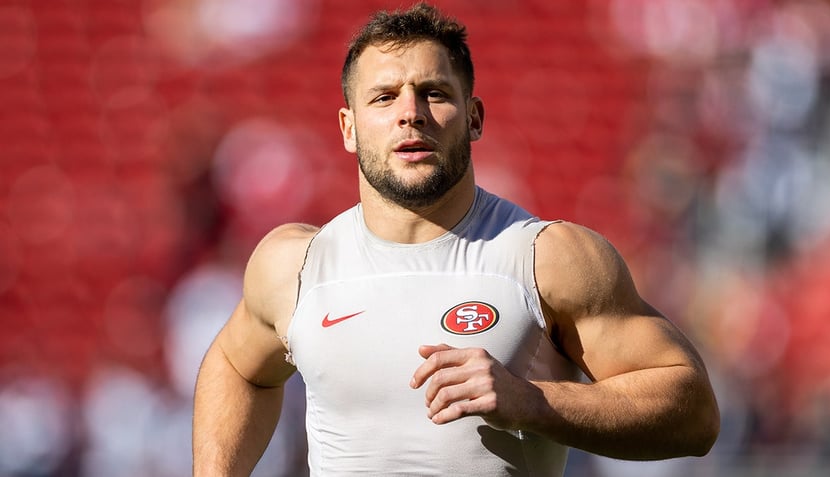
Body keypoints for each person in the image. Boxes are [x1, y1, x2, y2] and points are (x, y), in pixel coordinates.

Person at [192, 3, 720, 475]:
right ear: (348, 128)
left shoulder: (545, 258)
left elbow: (694, 412)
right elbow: (239, 368)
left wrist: (532, 403)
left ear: (473, 117)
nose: (410, 112)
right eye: (384, 97)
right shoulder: (296, 266)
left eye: (434, 93)